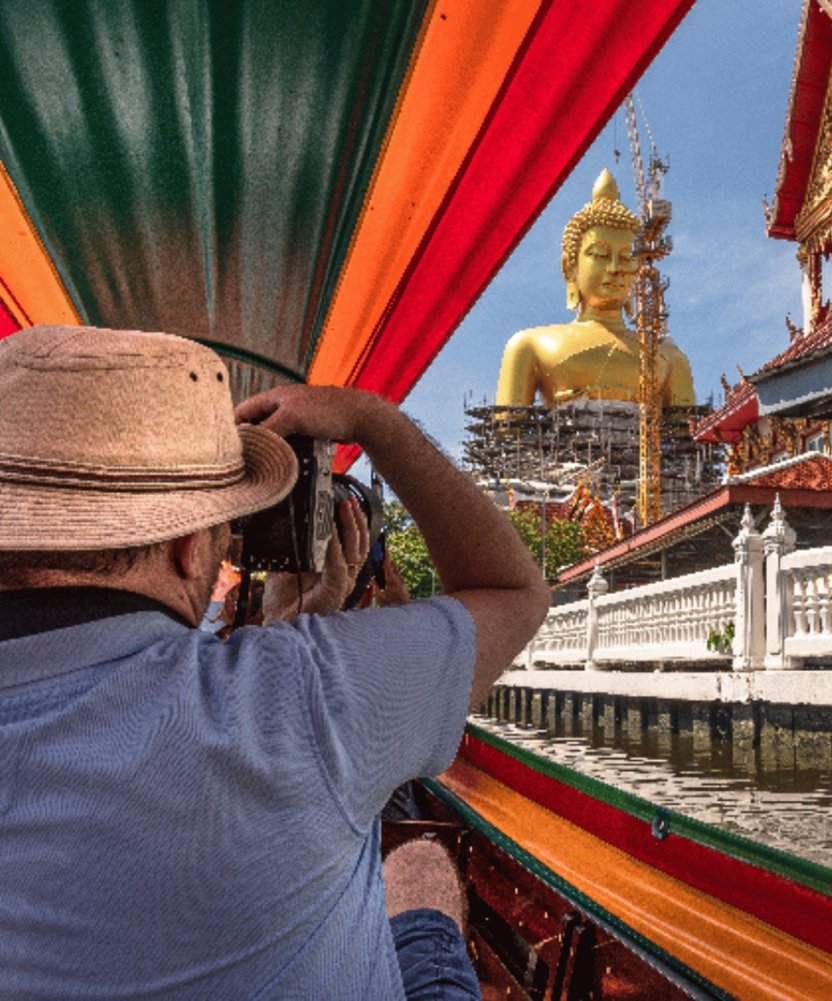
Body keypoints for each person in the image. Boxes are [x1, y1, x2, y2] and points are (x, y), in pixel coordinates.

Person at [0, 324, 551, 999]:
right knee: (420, 863)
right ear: (189, 548)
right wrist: (371, 419)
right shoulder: (302, 691)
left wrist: (293, 626)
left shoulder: (286, 685)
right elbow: (513, 593)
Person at [494, 168, 695, 409]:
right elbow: (508, 431)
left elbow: (690, 433)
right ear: (570, 267)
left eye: (626, 258)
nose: (615, 268)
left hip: (648, 434)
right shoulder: (529, 346)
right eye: (600, 254)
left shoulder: (670, 359)